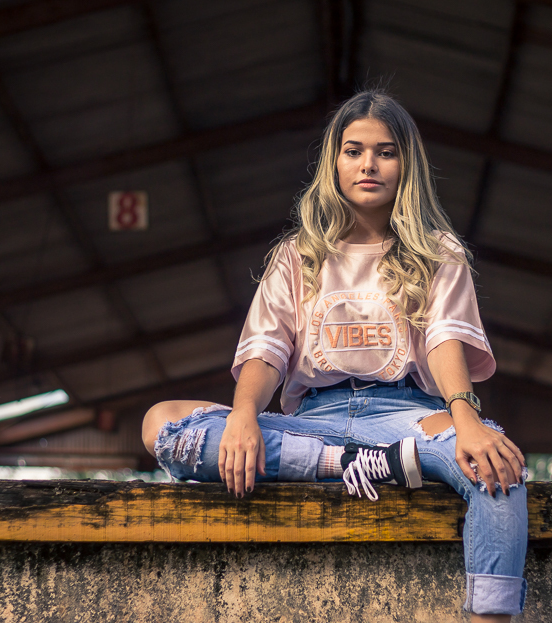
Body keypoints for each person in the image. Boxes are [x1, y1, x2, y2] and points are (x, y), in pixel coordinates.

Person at [142, 89, 528, 620]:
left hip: (407, 419)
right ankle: (359, 466)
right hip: (312, 425)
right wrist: (244, 415)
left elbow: (443, 340)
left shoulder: (438, 252)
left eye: (386, 152)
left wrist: (469, 422)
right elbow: (266, 350)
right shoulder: (296, 255)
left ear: (406, 166)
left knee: (498, 469)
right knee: (162, 423)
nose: (368, 164)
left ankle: (490, 615)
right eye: (354, 151)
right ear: (335, 163)